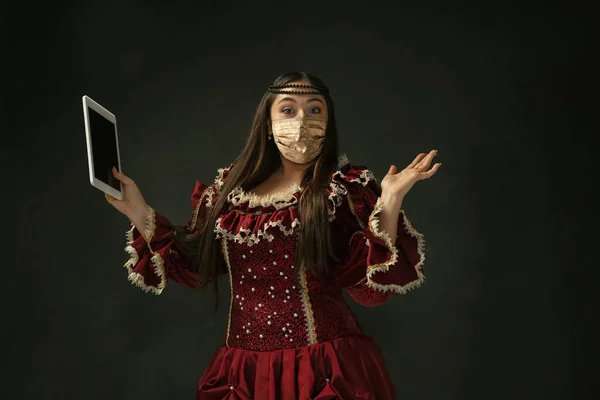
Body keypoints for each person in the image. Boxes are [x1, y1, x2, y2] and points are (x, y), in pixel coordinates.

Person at [105, 72, 440, 399]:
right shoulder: (228, 194)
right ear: (267, 122)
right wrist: (137, 210)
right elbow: (191, 265)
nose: (301, 120)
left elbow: (370, 295)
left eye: (314, 109)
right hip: (243, 378)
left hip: (324, 373)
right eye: (288, 109)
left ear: (329, 121)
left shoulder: (342, 191)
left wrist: (391, 200)